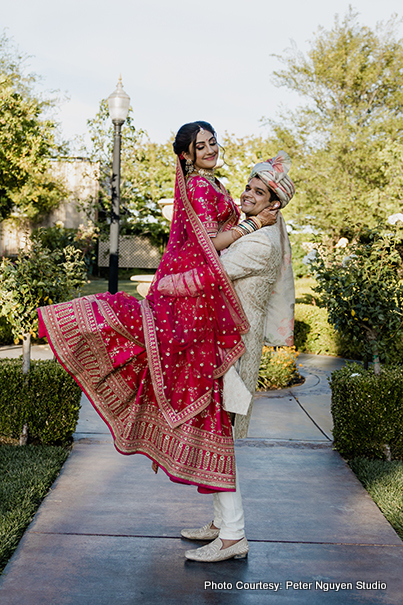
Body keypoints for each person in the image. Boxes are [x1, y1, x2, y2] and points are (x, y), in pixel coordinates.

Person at [37, 121, 277, 497]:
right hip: (191, 302)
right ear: (187, 155)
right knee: (178, 369)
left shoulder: (213, 184)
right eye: (201, 146)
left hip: (202, 302)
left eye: (213, 142)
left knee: (193, 384)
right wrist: (252, 224)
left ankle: (226, 525)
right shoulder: (199, 186)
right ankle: (71, 323)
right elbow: (211, 243)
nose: (211, 149)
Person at [180, 152, 295, 562]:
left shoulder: (259, 243)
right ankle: (220, 525)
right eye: (247, 187)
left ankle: (233, 536)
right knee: (218, 433)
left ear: (273, 205)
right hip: (224, 348)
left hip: (235, 354)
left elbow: (208, 265)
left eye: (258, 192)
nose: (246, 194)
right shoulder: (252, 233)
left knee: (220, 438)